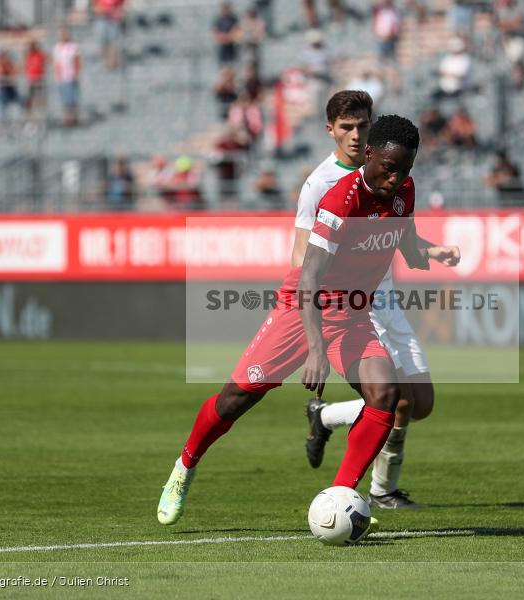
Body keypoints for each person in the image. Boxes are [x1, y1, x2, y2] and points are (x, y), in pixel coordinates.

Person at [157, 114, 445, 524]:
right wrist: (315, 347)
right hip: (302, 308)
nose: (396, 178)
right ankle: (184, 466)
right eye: (389, 168)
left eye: (405, 170)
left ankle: (342, 495)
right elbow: (309, 277)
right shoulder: (339, 202)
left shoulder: (405, 192)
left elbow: (406, 242)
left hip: (351, 313)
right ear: (368, 155)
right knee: (235, 400)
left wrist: (430, 254)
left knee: (385, 393)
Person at [291, 92, 460, 509]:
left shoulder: (400, 182)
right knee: (392, 397)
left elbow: (405, 241)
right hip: (346, 301)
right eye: (346, 126)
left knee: (420, 403)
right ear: (334, 131)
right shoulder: (323, 186)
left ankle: (326, 416)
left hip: (383, 296)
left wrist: (432, 252)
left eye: (361, 124)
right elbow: (303, 261)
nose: (355, 133)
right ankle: (380, 491)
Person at [53, 28, 81, 127]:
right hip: (62, 77)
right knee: (65, 99)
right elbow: (56, 63)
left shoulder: (73, 46)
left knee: (72, 99)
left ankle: (74, 118)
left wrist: (76, 74)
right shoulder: (57, 47)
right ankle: (67, 118)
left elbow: (77, 60)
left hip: (71, 76)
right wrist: (58, 76)